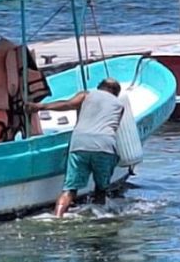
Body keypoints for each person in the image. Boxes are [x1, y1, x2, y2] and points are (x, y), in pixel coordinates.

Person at [27, 78, 124, 217]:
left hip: (80, 144)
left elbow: (67, 104)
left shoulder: (86, 95)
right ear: (116, 93)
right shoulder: (120, 105)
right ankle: (100, 218)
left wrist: (40, 107)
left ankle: (57, 218)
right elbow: (115, 128)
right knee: (101, 190)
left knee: (70, 190)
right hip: (105, 145)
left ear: (99, 87)